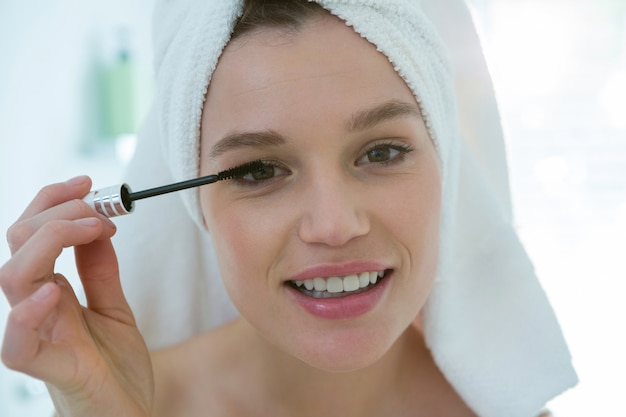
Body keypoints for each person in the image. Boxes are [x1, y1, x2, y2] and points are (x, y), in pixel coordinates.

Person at [0, 1, 577, 416]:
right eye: (258, 171)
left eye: (381, 151)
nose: (333, 225)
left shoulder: (505, 410)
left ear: (445, 167)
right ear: (196, 201)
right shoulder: (126, 404)